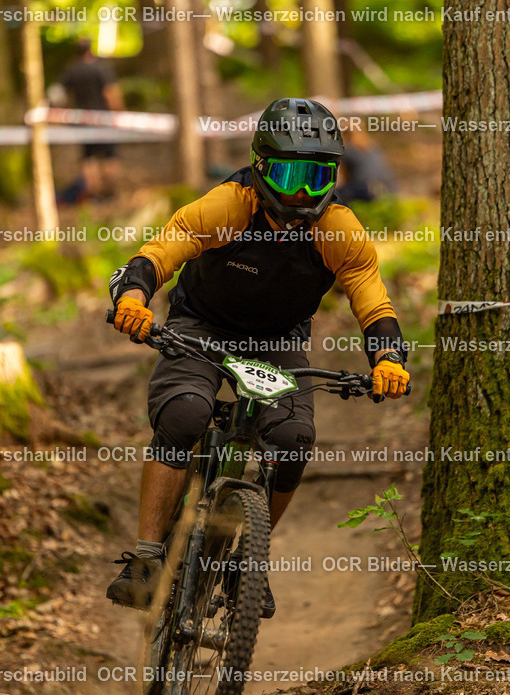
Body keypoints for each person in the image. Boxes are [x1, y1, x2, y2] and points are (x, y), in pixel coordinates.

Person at [106, 97, 410, 615]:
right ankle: (148, 557)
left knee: (293, 438)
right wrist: (133, 299)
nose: (301, 192)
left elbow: (373, 304)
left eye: (316, 177)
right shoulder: (228, 206)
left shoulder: (338, 230)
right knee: (184, 414)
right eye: (289, 175)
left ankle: (249, 561)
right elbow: (161, 251)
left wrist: (388, 359)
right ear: (262, 167)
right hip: (200, 327)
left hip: (277, 342)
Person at [60, 39, 124, 198]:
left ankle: (93, 193)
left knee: (88, 157)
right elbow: (110, 93)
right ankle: (110, 193)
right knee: (110, 156)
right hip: (104, 119)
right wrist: (119, 112)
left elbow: (60, 94)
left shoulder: (72, 70)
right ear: (91, 50)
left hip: (82, 120)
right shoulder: (102, 68)